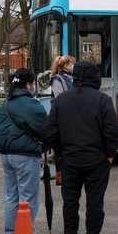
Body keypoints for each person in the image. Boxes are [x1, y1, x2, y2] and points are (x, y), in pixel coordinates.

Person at [48, 61, 118, 234]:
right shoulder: (102, 100)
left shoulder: (61, 100)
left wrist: (60, 155)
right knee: (95, 201)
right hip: (96, 159)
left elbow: (52, 131)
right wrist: (110, 154)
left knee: (70, 200)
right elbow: (111, 130)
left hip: (69, 159)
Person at [0, 69, 50, 234]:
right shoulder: (30, 104)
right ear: (28, 84)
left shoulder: (5, 103)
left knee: (11, 195)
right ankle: (26, 233)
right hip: (25, 155)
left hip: (6, 154)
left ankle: (11, 233)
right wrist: (44, 146)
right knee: (28, 196)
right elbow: (45, 129)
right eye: (32, 83)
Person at [49, 55, 76, 185]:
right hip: (61, 117)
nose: (73, 66)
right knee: (59, 148)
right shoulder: (57, 80)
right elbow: (60, 99)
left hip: (70, 116)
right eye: (72, 64)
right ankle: (60, 175)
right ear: (65, 66)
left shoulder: (71, 78)